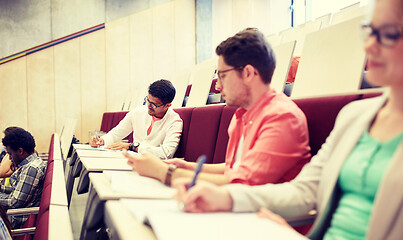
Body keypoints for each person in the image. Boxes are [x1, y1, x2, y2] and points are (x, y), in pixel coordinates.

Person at [174, 0, 403, 238]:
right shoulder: (354, 116)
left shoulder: (282, 115)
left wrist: (171, 174)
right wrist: (224, 197)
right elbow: (305, 191)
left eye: (387, 34)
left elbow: (248, 180)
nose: (369, 45)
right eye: (368, 31)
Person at [125, 28, 311, 186]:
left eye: (222, 75)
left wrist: (165, 173)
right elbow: (234, 168)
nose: (217, 86)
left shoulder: (283, 117)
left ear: (247, 73)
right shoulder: (241, 115)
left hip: (267, 221)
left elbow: (243, 183)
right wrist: (188, 167)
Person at [90, 79, 183, 159]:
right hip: (132, 160)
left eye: (154, 104)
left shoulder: (175, 122)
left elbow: (166, 153)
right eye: (148, 100)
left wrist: (132, 147)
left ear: (167, 105)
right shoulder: (137, 112)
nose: (148, 106)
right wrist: (102, 141)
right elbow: (116, 134)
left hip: (153, 166)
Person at [1, 128, 47, 228]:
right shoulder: (31, 164)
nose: (9, 158)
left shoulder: (31, 169)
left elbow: (14, 202)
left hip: (15, 220)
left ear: (20, 151)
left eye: (10, 154)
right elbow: (17, 190)